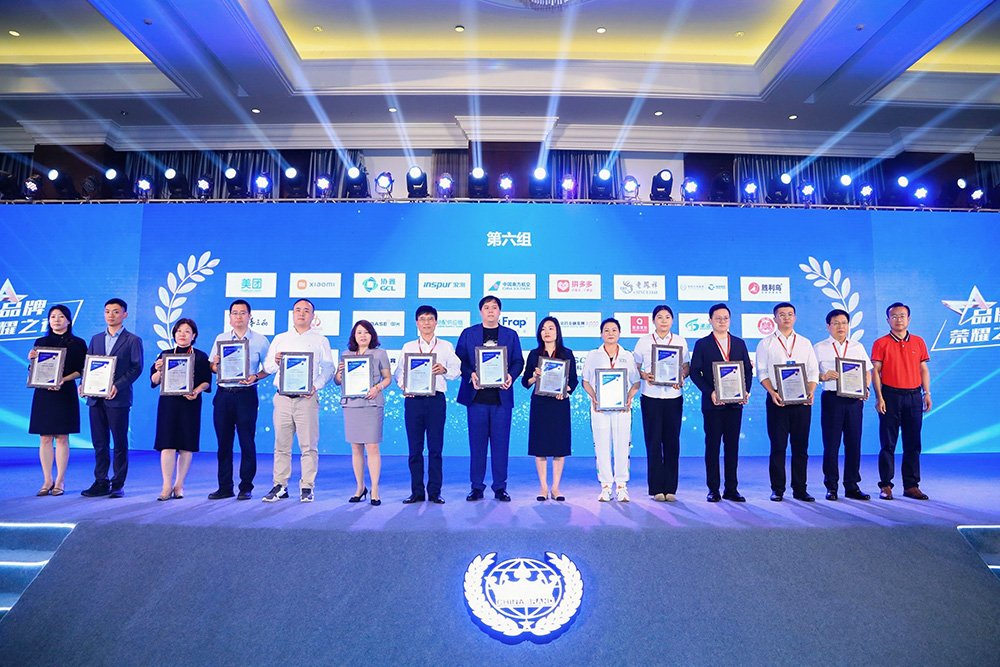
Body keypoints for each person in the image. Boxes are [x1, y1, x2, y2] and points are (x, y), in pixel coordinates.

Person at [262, 299, 333, 503]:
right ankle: (280, 485)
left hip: (306, 399)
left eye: (306, 310)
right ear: (292, 314)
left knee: (308, 446)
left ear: (313, 315)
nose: (301, 313)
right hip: (283, 398)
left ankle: (307, 486)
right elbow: (267, 367)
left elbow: (328, 368)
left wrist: (315, 386)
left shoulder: (320, 340)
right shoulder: (280, 338)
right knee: (281, 445)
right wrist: (276, 362)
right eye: (298, 310)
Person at [456, 296, 525, 501]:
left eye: (494, 307)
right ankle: (476, 487)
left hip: (501, 400)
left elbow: (518, 361)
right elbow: (459, 361)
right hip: (476, 399)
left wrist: (511, 376)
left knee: (501, 446)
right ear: (481, 312)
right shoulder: (468, 334)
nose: (490, 311)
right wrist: (471, 374)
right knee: (477, 446)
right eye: (486, 307)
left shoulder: (510, 335)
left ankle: (500, 487)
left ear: (500, 311)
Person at [394, 305, 461, 504]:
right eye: (422, 319)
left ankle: (434, 492)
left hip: (435, 401)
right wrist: (404, 386)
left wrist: (444, 370)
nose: (426, 323)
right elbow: (399, 372)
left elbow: (457, 371)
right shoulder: (408, 347)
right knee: (414, 449)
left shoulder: (445, 346)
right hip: (413, 401)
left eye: (430, 319)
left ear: (436, 322)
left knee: (435, 449)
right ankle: (416, 492)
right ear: (417, 323)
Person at [689, 303, 753, 502]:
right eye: (718, 318)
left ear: (730, 320)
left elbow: (747, 370)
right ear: (710, 320)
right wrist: (710, 392)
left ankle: (731, 489)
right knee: (713, 446)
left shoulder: (739, 343)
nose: (722, 321)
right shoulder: (702, 344)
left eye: (725, 318)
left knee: (732, 446)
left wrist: (746, 391)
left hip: (735, 404)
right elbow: (694, 372)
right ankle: (713, 489)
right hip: (713, 405)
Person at [756, 302, 820, 502]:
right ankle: (777, 489)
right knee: (778, 447)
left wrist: (811, 392)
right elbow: (762, 372)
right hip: (777, 401)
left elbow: (813, 371)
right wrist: (772, 392)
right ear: (774, 318)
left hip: (801, 403)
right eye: (782, 314)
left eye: (790, 314)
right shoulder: (766, 343)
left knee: (801, 448)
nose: (786, 317)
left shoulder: (805, 343)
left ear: (795, 317)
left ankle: (800, 489)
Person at [207, 299, 270, 500]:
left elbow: (269, 368)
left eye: (243, 313)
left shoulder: (260, 340)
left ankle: (246, 487)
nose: (238, 316)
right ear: (230, 317)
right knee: (223, 443)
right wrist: (216, 365)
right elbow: (212, 367)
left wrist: (255, 376)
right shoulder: (221, 339)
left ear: (250, 316)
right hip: (224, 395)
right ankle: (225, 487)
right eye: (235, 313)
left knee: (246, 442)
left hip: (246, 395)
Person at [81, 298, 143, 498]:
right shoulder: (96, 339)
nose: (111, 315)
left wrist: (117, 385)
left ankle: (117, 484)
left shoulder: (132, 340)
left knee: (119, 442)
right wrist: (83, 383)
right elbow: (88, 365)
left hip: (118, 398)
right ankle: (101, 481)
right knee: (99, 443)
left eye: (116, 311)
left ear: (125, 314)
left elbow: (136, 368)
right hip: (95, 398)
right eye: (107, 311)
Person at [871, 302, 931, 500]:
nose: (898, 319)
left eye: (902, 316)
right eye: (894, 316)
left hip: (914, 396)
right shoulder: (880, 343)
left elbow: (923, 369)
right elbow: (876, 372)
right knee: (888, 443)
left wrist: (927, 393)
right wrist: (879, 397)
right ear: (888, 320)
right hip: (890, 396)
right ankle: (886, 485)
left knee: (913, 443)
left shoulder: (919, 342)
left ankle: (911, 486)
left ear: (909, 319)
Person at [27, 304, 87, 496]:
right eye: (53, 316)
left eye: (61, 316)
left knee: (62, 437)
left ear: (68, 320)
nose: (56, 320)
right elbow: (34, 370)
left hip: (64, 392)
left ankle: (60, 480)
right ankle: (47, 480)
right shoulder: (41, 342)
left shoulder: (78, 343)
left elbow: (82, 370)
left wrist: (63, 379)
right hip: (44, 394)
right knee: (44, 438)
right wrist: (32, 360)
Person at [150, 318, 212, 501]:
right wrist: (159, 370)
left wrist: (196, 391)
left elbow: (206, 381)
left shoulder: (200, 356)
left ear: (194, 335)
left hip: (190, 404)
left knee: (186, 446)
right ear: (174, 334)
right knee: (167, 444)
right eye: (179, 331)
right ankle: (166, 485)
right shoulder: (165, 355)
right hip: (168, 404)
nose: (182, 335)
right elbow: (154, 381)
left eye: (187, 331)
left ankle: (179, 484)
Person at [814, 309, 872, 501]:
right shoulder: (819, 347)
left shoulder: (857, 346)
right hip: (832, 399)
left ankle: (852, 485)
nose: (841, 326)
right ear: (828, 326)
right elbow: (810, 374)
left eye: (844, 323)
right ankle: (831, 486)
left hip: (854, 400)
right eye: (836, 323)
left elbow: (867, 371)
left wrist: (866, 388)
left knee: (854, 443)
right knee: (831, 444)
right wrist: (823, 376)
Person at [632, 305, 689, 502]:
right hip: (651, 396)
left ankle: (671, 488)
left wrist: (682, 376)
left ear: (672, 320)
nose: (663, 320)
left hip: (674, 397)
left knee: (672, 442)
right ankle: (656, 488)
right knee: (653, 442)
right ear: (653, 320)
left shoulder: (680, 341)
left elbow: (686, 366)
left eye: (667, 317)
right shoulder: (644, 341)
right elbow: (635, 366)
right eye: (659, 317)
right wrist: (644, 375)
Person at [582, 317, 641, 502]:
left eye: (614, 330)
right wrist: (594, 397)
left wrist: (629, 398)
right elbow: (585, 381)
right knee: (601, 446)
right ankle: (606, 486)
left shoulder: (627, 356)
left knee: (622, 446)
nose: (610, 333)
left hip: (622, 410)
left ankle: (622, 486)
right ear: (601, 334)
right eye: (606, 330)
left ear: (619, 333)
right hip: (599, 409)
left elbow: (636, 382)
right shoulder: (593, 355)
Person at [334, 320, 392, 506]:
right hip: (351, 404)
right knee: (356, 447)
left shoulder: (380, 353)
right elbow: (338, 381)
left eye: (366, 332)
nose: (363, 335)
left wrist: (377, 388)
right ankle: (360, 487)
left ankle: (374, 489)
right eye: (359, 332)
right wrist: (339, 373)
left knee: (372, 446)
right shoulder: (346, 355)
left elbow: (388, 378)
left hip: (372, 403)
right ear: (354, 335)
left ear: (372, 335)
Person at [522, 316, 578, 502]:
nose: (546, 332)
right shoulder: (534, 354)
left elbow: (573, 381)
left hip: (559, 405)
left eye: (551, 328)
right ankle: (543, 487)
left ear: (557, 332)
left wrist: (565, 390)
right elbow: (525, 382)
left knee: (559, 448)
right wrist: (534, 376)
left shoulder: (567, 354)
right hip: (540, 404)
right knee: (540, 448)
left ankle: (555, 488)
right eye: (543, 329)